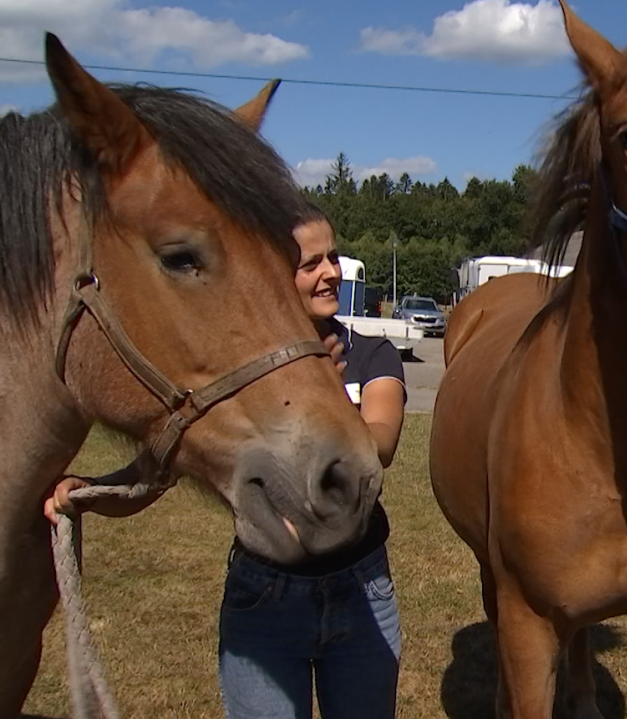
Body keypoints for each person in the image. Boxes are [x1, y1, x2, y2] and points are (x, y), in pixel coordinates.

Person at [45, 202, 407, 719]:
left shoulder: (372, 354)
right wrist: (95, 493)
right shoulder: (244, 377)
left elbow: (383, 443)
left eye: (333, 257)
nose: (331, 273)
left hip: (362, 589)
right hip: (264, 597)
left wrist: (322, 392)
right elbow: (164, 466)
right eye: (311, 264)